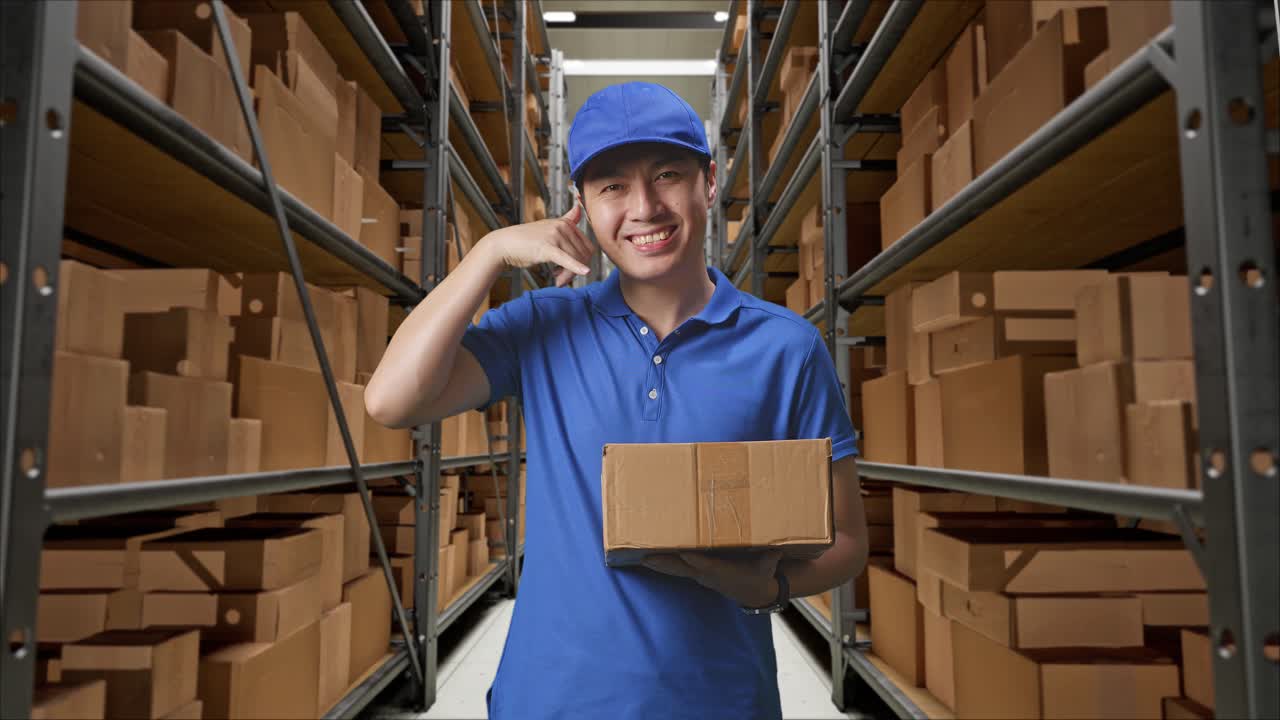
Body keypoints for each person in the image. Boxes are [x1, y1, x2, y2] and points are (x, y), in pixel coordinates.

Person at [366, 81, 868, 720]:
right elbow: (389, 401)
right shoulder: (542, 326)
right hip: (550, 700)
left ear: (709, 183)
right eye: (612, 188)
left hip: (718, 700)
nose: (645, 208)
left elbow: (848, 540)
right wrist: (489, 254)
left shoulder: (786, 348)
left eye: (668, 176)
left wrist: (771, 587)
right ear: (580, 206)